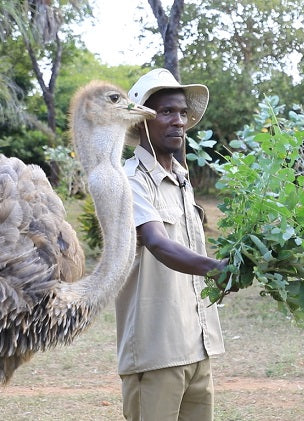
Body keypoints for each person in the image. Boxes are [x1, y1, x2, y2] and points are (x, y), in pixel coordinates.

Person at [115, 68, 226, 421]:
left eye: (181, 112)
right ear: (144, 120)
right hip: (156, 348)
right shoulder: (130, 180)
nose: (178, 121)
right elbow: (157, 243)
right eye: (166, 112)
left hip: (197, 344)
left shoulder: (181, 179)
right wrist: (219, 270)